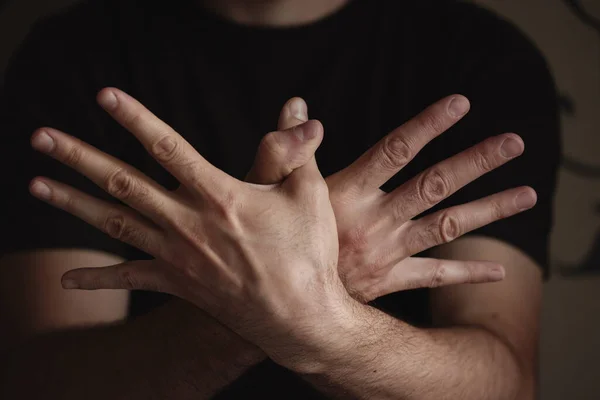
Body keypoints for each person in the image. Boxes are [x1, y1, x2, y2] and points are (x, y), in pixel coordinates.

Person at [0, 0, 560, 399]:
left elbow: (505, 381)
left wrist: (283, 303)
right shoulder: (71, 56)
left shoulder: (483, 58)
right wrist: (295, 297)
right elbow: (37, 381)